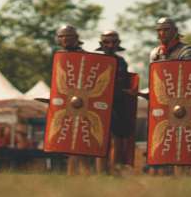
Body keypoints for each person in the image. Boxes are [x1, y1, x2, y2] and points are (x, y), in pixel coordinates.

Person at [53, 25, 93, 175]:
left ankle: (86, 172)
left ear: (76, 38)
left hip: (83, 103)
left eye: (68, 36)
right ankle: (71, 173)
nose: (65, 39)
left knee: (81, 141)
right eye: (62, 36)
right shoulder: (59, 56)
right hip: (66, 103)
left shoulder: (86, 57)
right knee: (68, 141)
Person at [95, 30, 135, 174]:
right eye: (107, 42)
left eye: (113, 42)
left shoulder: (121, 62)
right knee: (99, 141)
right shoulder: (95, 61)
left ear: (118, 44)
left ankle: (114, 171)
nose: (110, 45)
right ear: (101, 44)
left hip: (118, 105)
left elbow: (124, 83)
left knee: (117, 140)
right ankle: (101, 172)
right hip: (98, 105)